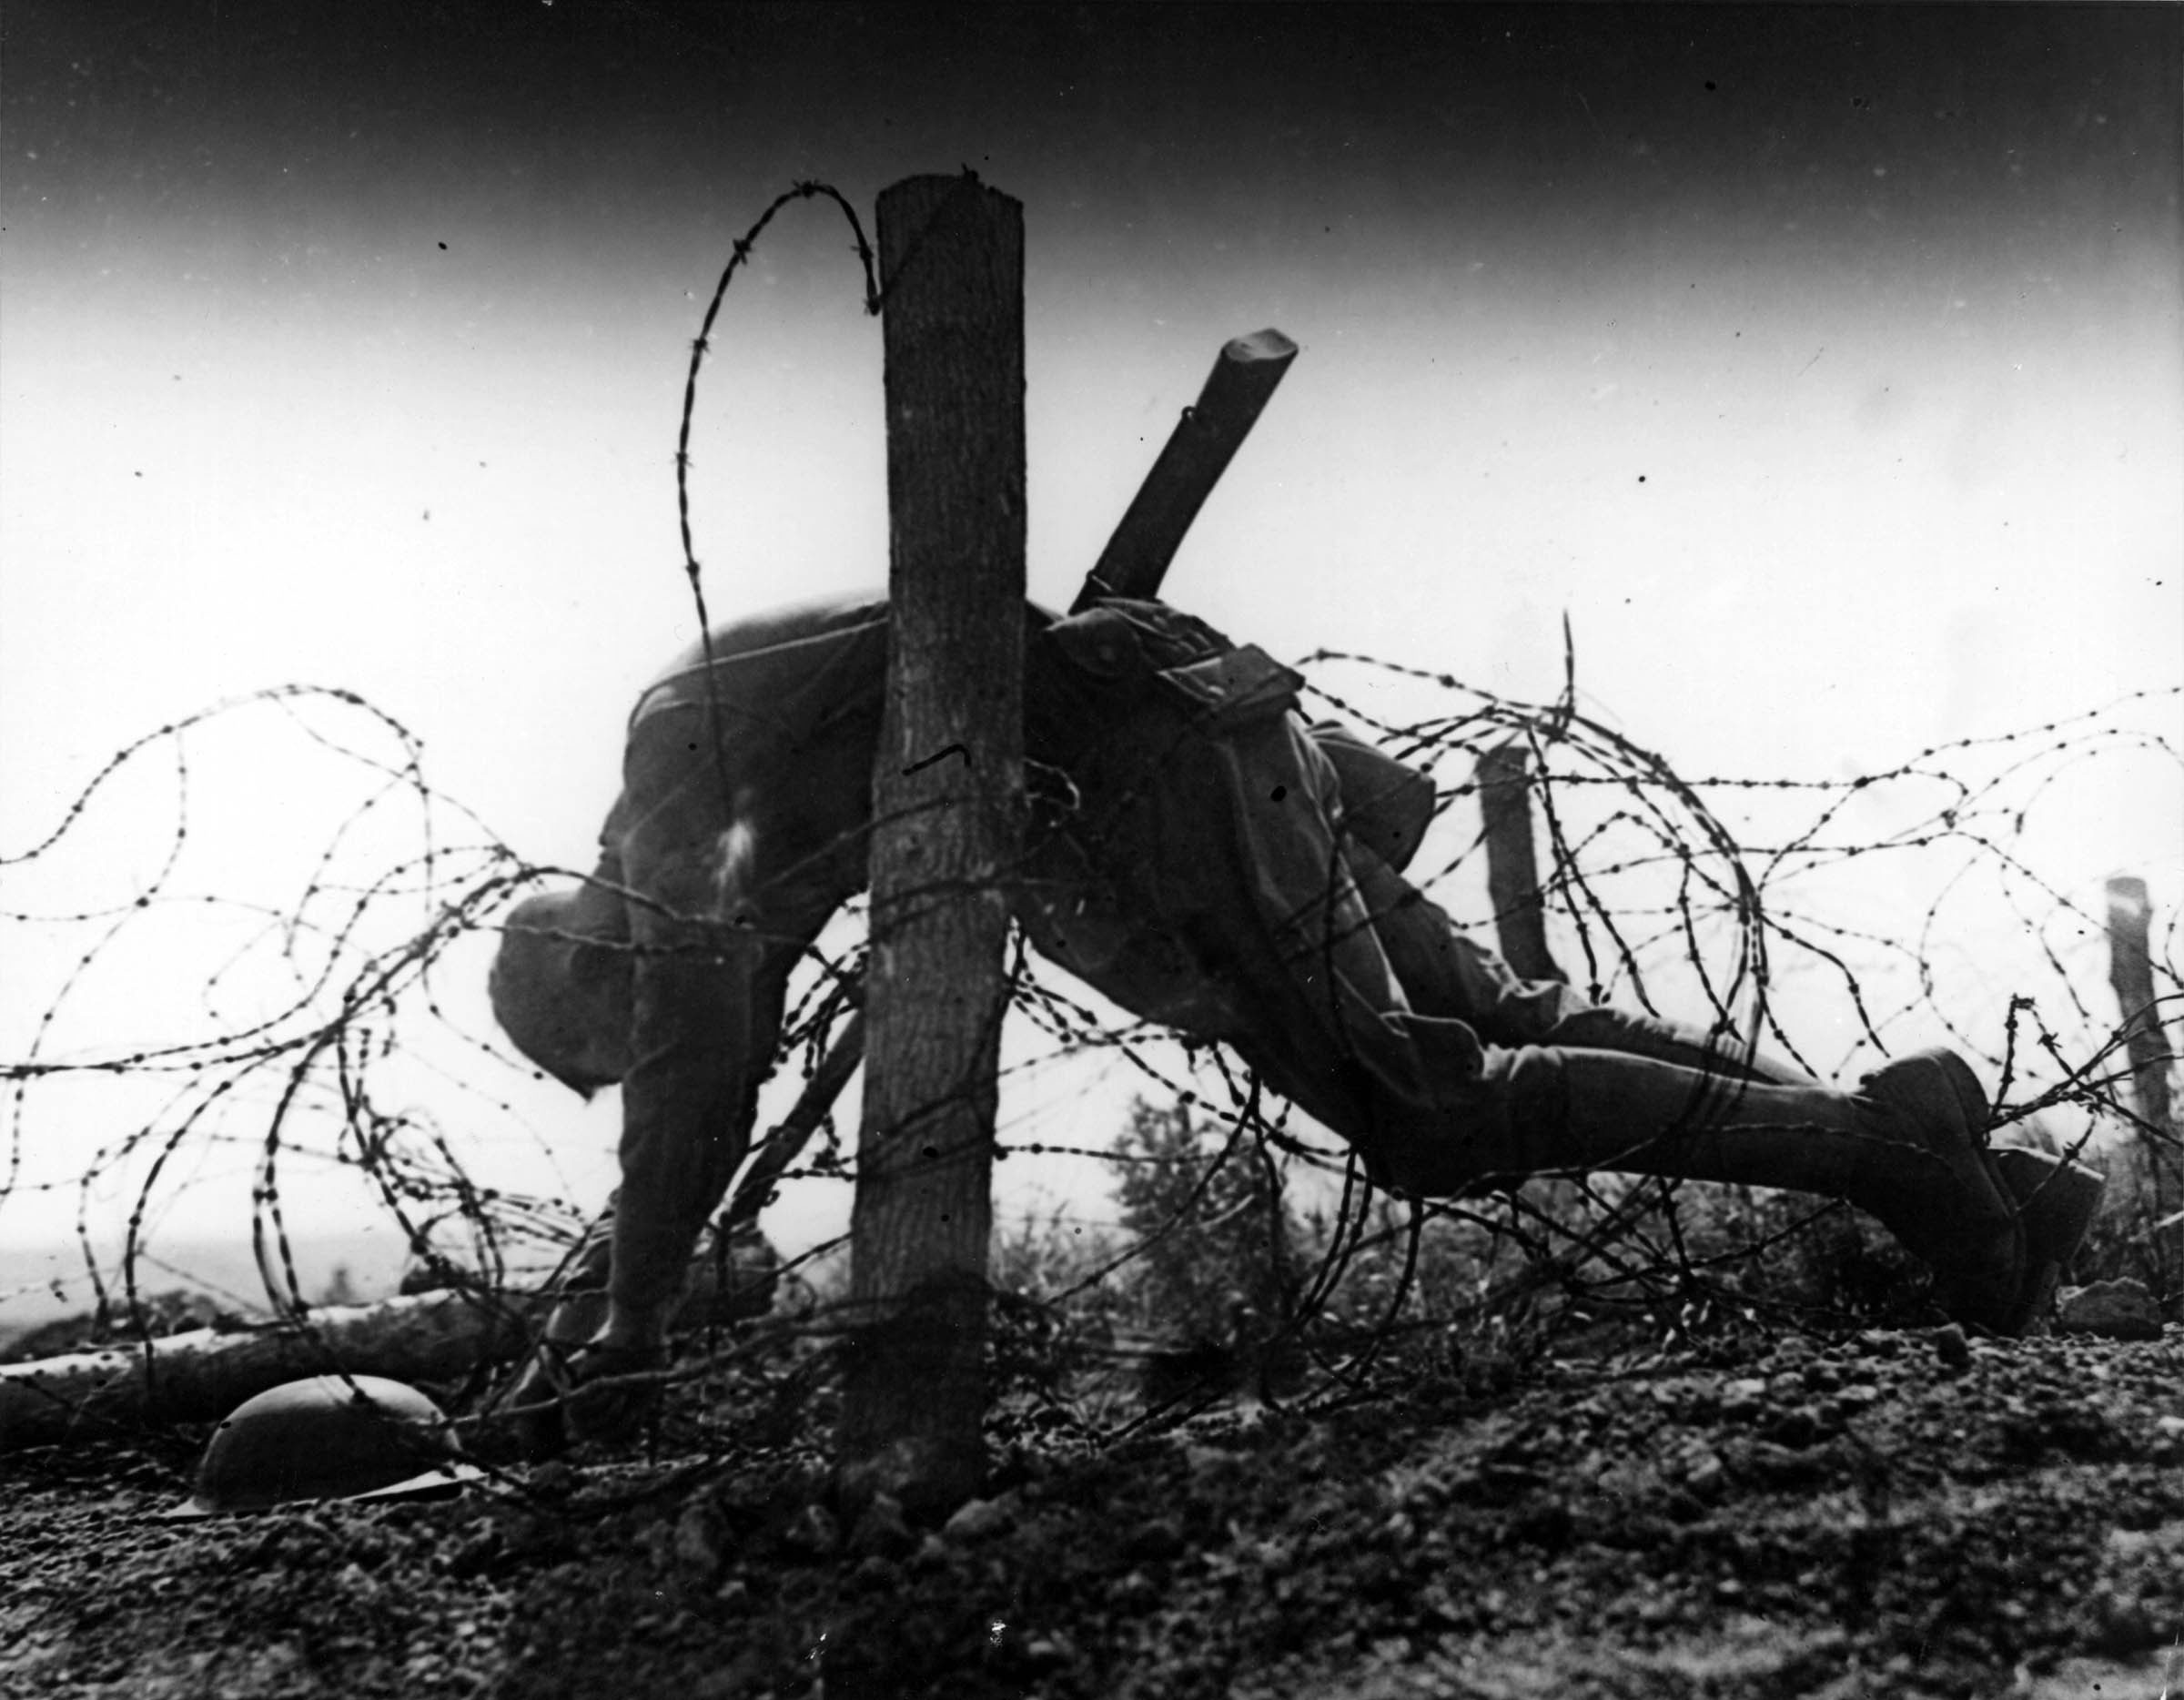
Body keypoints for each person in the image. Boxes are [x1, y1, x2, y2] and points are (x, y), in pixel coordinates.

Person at [490, 592, 2103, 1450]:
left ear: (584, 965)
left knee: (1430, 1112)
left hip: (1165, 801)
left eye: (600, 1053)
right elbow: (710, 1060)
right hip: (1219, 740)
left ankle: (1897, 1157)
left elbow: (695, 1076)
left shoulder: (673, 791)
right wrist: (622, 1284)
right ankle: (1991, 1173)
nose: (637, 1064)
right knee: (1498, 1010)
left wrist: (627, 1329)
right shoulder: (714, 771)